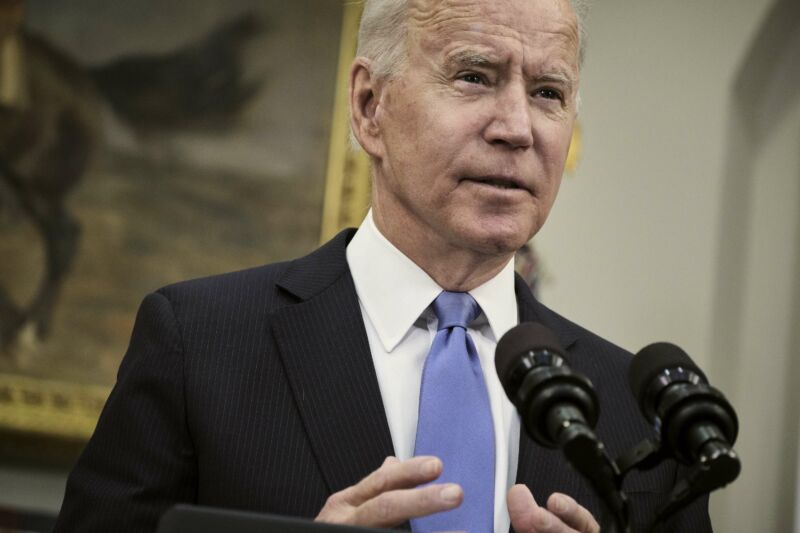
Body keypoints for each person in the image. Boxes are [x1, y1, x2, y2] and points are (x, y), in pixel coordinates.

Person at [55, 0, 712, 532]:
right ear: (370, 106)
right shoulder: (198, 343)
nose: (517, 126)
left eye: (547, 91)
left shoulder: (640, 409)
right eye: (475, 76)